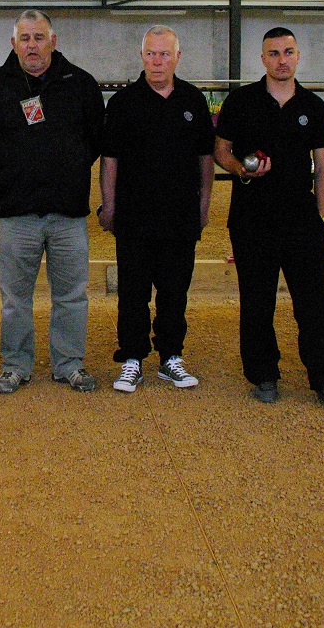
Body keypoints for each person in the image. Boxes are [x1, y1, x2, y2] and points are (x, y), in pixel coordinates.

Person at [0, 9, 104, 394]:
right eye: (24, 38)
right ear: (14, 44)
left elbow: (95, 140)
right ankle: (15, 365)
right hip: (17, 213)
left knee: (72, 296)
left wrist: (69, 167)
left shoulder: (80, 84)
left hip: (68, 213)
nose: (32, 45)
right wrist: (13, 171)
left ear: (53, 41)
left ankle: (68, 364)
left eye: (39, 37)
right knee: (15, 299)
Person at [213, 27, 324, 411]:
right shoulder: (240, 102)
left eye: (288, 52)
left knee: (315, 302)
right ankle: (264, 375)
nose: (281, 59)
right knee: (257, 301)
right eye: (273, 53)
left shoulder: (313, 107)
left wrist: (320, 216)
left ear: (298, 56)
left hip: (302, 219)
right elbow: (221, 150)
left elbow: (323, 166)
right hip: (252, 219)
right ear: (263, 58)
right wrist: (241, 168)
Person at [98, 25, 213, 394]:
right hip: (133, 217)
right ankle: (132, 358)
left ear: (178, 57)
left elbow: (205, 159)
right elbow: (110, 159)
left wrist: (204, 205)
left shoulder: (193, 101)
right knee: (133, 291)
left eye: (164, 54)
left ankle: (170, 357)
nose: (157, 61)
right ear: (142, 56)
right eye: (151, 53)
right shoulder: (123, 103)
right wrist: (109, 206)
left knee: (174, 290)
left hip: (180, 217)